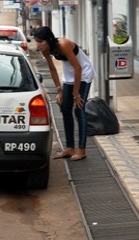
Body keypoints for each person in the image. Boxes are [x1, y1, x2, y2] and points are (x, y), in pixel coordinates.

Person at [34, 26, 95, 161]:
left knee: (79, 109)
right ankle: (69, 148)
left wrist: (76, 94)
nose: (38, 45)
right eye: (36, 41)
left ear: (49, 39)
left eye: (40, 41)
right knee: (65, 109)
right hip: (69, 76)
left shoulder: (64, 44)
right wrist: (59, 91)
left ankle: (82, 149)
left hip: (83, 74)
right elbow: (52, 69)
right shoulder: (45, 49)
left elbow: (78, 68)